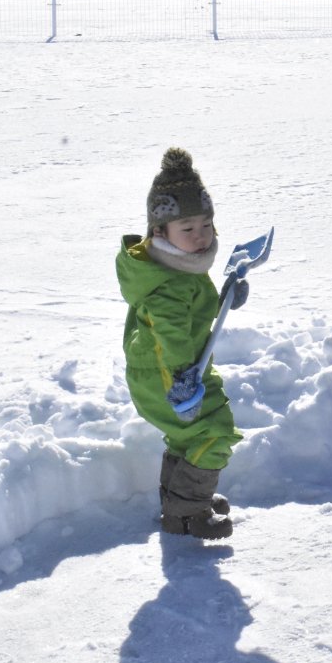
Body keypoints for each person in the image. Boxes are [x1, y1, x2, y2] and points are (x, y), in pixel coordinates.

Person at [116, 147, 246, 539]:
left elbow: (191, 314)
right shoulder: (169, 286)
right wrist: (182, 382)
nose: (200, 235)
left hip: (176, 370)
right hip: (168, 376)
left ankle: (183, 503)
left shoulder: (178, 266)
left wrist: (224, 298)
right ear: (160, 233)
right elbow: (171, 335)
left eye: (206, 224)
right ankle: (188, 515)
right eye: (187, 229)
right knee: (215, 434)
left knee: (186, 439)